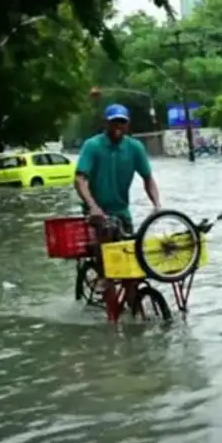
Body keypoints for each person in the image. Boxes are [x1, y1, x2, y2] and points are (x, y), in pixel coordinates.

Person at [74, 104, 161, 319]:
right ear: (106, 123)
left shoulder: (134, 148)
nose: (118, 126)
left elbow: (148, 179)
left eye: (122, 122)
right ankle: (112, 317)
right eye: (114, 121)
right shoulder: (92, 146)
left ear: (127, 124)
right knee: (109, 267)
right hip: (97, 213)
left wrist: (157, 206)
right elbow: (80, 179)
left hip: (122, 212)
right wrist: (93, 206)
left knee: (132, 264)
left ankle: (132, 303)